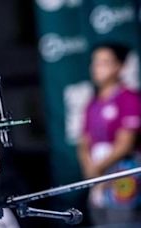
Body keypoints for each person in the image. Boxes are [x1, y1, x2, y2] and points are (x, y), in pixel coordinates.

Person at [77, 43, 141, 225]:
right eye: (95, 62)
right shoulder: (92, 103)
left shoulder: (129, 98)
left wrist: (99, 170)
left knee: (122, 222)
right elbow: (84, 142)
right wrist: (90, 169)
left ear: (119, 66)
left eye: (104, 62)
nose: (97, 68)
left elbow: (125, 143)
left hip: (122, 173)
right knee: (100, 220)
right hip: (96, 177)